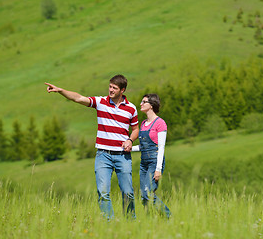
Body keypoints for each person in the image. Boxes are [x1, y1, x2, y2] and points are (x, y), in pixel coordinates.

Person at [45, 74, 139, 219]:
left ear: (122, 90)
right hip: (103, 155)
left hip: (122, 155)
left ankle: (131, 223)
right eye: (110, 86)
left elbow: (136, 129)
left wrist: (130, 140)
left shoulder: (131, 109)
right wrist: (60, 90)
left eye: (114, 88)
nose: (111, 90)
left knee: (128, 192)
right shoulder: (100, 102)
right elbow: (78, 98)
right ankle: (109, 225)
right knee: (103, 192)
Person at [131, 94, 171, 218]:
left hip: (154, 162)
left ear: (152, 105)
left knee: (147, 193)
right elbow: (143, 147)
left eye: (144, 102)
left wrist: (158, 169)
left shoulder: (160, 123)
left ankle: (168, 216)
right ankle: (153, 218)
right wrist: (128, 148)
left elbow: (161, 148)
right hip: (144, 164)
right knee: (144, 196)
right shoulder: (143, 124)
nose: (141, 104)